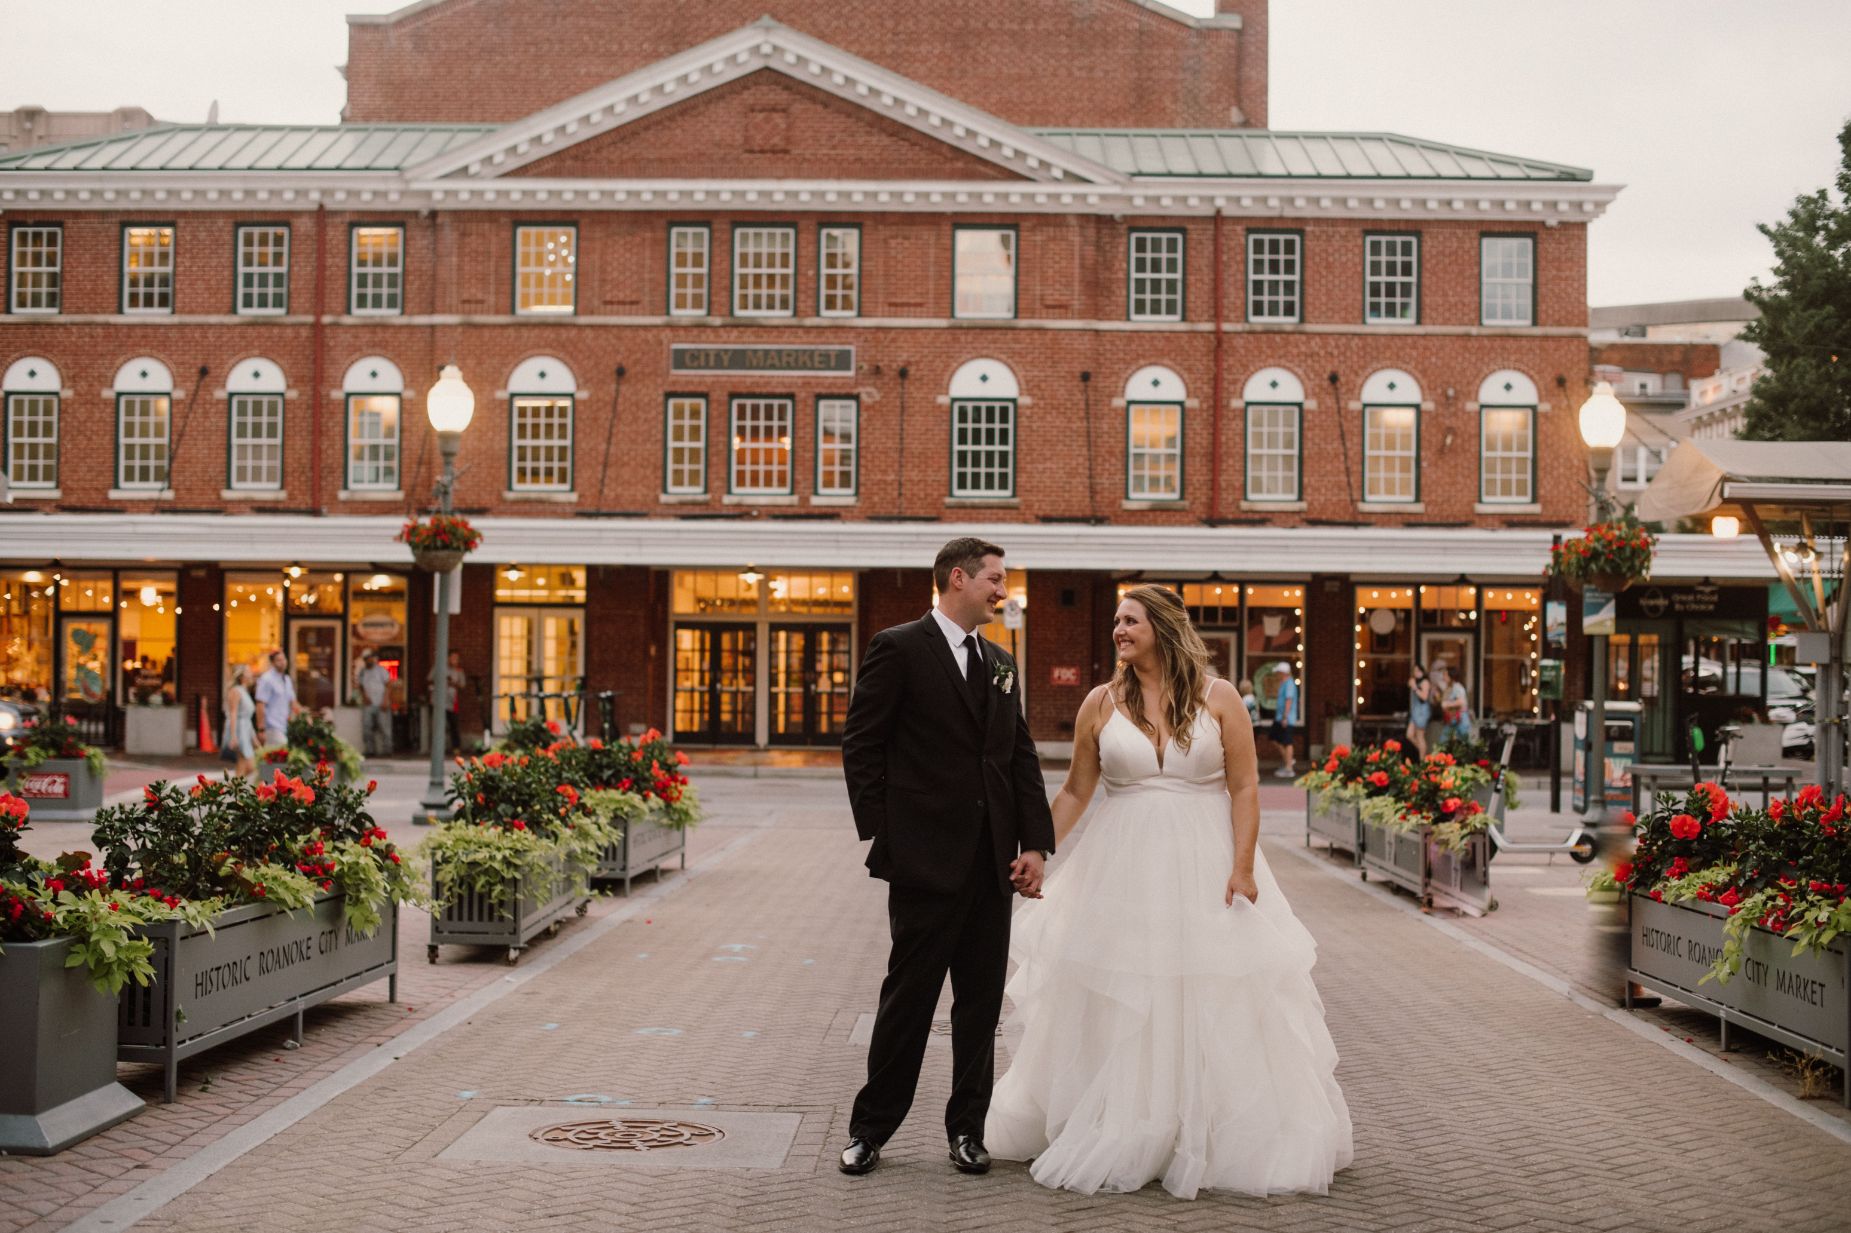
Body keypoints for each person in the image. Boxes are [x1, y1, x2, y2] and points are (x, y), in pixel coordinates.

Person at [986, 585, 1353, 1198]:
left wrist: (1243, 867)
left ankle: (1204, 1128)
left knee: (1211, 990)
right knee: (1128, 989)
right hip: (1122, 868)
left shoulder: (1219, 697)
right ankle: (1124, 1119)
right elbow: (1077, 790)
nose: (1118, 631)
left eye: (1130, 621)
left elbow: (1245, 788)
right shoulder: (1100, 703)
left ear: (1161, 626)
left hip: (1206, 862)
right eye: (1117, 622)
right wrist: (1038, 849)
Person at [837, 537, 1054, 1178]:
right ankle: (870, 1130)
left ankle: (968, 1132)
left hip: (991, 868)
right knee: (907, 1001)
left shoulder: (1000, 661)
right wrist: (886, 836)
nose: (1002, 589)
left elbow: (1018, 757)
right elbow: (862, 742)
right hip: (922, 863)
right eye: (994, 578)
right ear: (957, 578)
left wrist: (1034, 845)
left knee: (980, 1007)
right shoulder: (898, 648)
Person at [253, 649, 298, 749]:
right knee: (279, 757)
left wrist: (305, 715)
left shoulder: (287, 679)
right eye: (279, 660)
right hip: (272, 727)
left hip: (285, 726)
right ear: (272, 663)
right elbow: (260, 705)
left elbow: (293, 702)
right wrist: (261, 729)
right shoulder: (267, 679)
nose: (282, 662)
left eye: (283, 659)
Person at [355, 650, 392, 757]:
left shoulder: (381, 670)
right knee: (367, 727)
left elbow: (388, 685)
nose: (369, 660)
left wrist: (385, 700)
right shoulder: (363, 672)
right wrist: (364, 697)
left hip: (381, 703)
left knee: (384, 727)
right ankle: (370, 749)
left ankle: (387, 750)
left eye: (370, 658)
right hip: (368, 704)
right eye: (366, 658)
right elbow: (361, 686)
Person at [428, 650, 467, 753]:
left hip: (451, 701)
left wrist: (454, 683)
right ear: (448, 658)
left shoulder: (459, 671)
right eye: (453, 658)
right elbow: (429, 679)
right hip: (437, 701)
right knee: (438, 725)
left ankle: (456, 747)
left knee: (453, 724)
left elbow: (462, 685)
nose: (455, 660)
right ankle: (438, 747)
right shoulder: (438, 668)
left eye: (456, 658)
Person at [222, 664, 256, 780]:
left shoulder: (244, 691)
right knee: (249, 765)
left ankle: (233, 789)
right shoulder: (235, 691)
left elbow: (248, 717)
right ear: (241, 676)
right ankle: (233, 789)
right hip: (239, 730)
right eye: (249, 672)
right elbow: (233, 713)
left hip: (245, 730)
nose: (251, 674)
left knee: (244, 766)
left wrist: (254, 738)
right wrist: (233, 736)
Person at [1266, 660, 1299, 778]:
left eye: (1278, 672)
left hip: (1286, 719)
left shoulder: (1289, 683)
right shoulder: (1283, 683)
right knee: (1274, 737)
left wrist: (1285, 717)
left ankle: (1289, 768)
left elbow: (1288, 700)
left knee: (1287, 741)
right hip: (1279, 718)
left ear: (1283, 672)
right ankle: (1288, 761)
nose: (1276, 674)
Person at [1436, 663, 1475, 744]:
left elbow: (1462, 702)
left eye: (1445, 675)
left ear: (1451, 676)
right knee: (1443, 742)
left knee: (1467, 743)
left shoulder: (1457, 687)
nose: (1443, 677)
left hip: (1460, 718)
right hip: (1451, 719)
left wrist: (1448, 704)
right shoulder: (1449, 688)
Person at [1406, 662, 1434, 757]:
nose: (1416, 673)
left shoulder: (1425, 682)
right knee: (1409, 734)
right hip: (1415, 711)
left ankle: (1423, 760)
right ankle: (1424, 753)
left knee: (1420, 736)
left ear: (1422, 672)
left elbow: (1424, 697)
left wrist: (1414, 687)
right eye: (1414, 671)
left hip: (1421, 712)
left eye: (1418, 671)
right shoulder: (1417, 682)